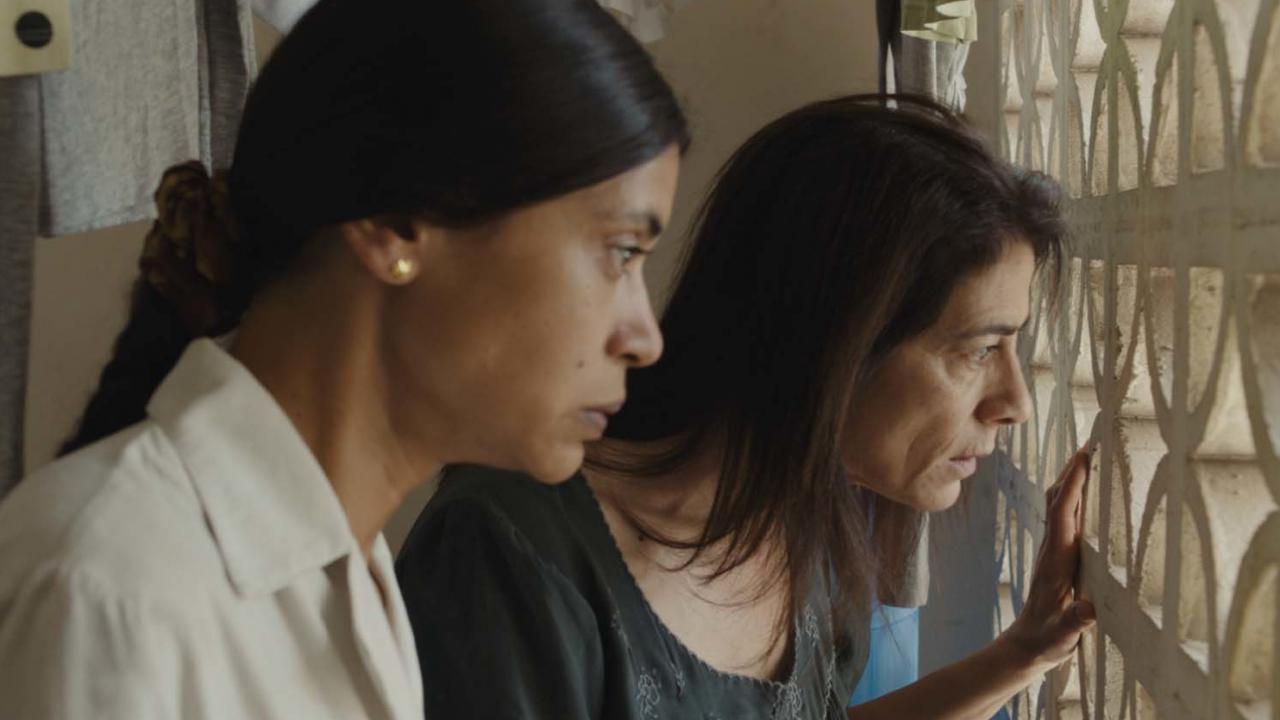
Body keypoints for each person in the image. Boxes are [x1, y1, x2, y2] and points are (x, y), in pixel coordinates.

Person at [0, 1, 686, 718]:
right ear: (395, 227)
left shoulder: (352, 573)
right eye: (621, 252)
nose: (644, 337)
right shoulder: (110, 590)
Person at [396, 95, 1093, 719]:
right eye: (978, 350)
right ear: (835, 339)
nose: (1015, 403)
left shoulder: (803, 530)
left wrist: (1022, 655)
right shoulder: (512, 553)